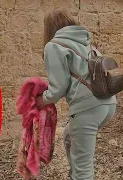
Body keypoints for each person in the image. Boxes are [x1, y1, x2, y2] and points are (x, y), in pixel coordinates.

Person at [35, 9, 117, 180]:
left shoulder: (54, 45)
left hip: (88, 108)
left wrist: (41, 100)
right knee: (68, 137)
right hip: (108, 104)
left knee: (83, 168)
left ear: (49, 28)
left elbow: (58, 88)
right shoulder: (86, 42)